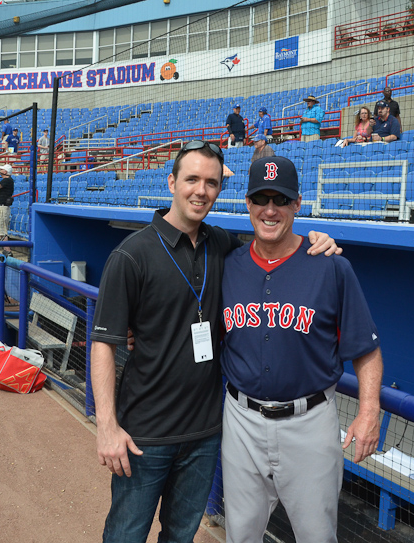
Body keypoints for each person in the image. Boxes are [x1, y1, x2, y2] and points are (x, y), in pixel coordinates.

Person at [90, 141, 340, 543]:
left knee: (180, 535)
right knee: (125, 534)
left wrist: (316, 240)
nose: (200, 190)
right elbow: (103, 343)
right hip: (144, 435)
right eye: (191, 179)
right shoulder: (132, 255)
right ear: (171, 182)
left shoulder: (222, 246)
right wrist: (107, 426)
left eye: (210, 182)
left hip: (205, 433)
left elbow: (272, 249)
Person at [221, 155, 383, 543]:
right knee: (240, 535)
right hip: (241, 420)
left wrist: (368, 411)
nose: (270, 210)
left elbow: (366, 348)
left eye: (281, 200)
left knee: (316, 536)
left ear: (297, 204)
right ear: (248, 203)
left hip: (309, 423)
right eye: (261, 199)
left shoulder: (330, 266)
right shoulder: (229, 265)